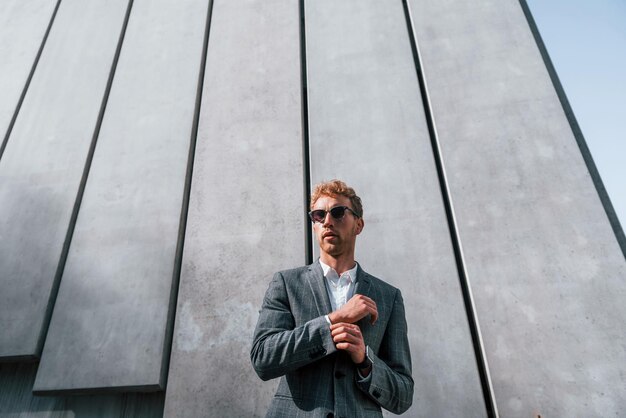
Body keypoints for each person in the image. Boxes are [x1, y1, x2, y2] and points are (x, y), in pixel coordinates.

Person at [251, 180, 413, 417]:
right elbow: (263, 358)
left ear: (358, 224)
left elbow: (403, 396)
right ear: (314, 225)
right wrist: (334, 320)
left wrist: (366, 361)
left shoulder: (388, 297)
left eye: (338, 212)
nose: (327, 221)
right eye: (318, 215)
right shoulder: (286, 284)